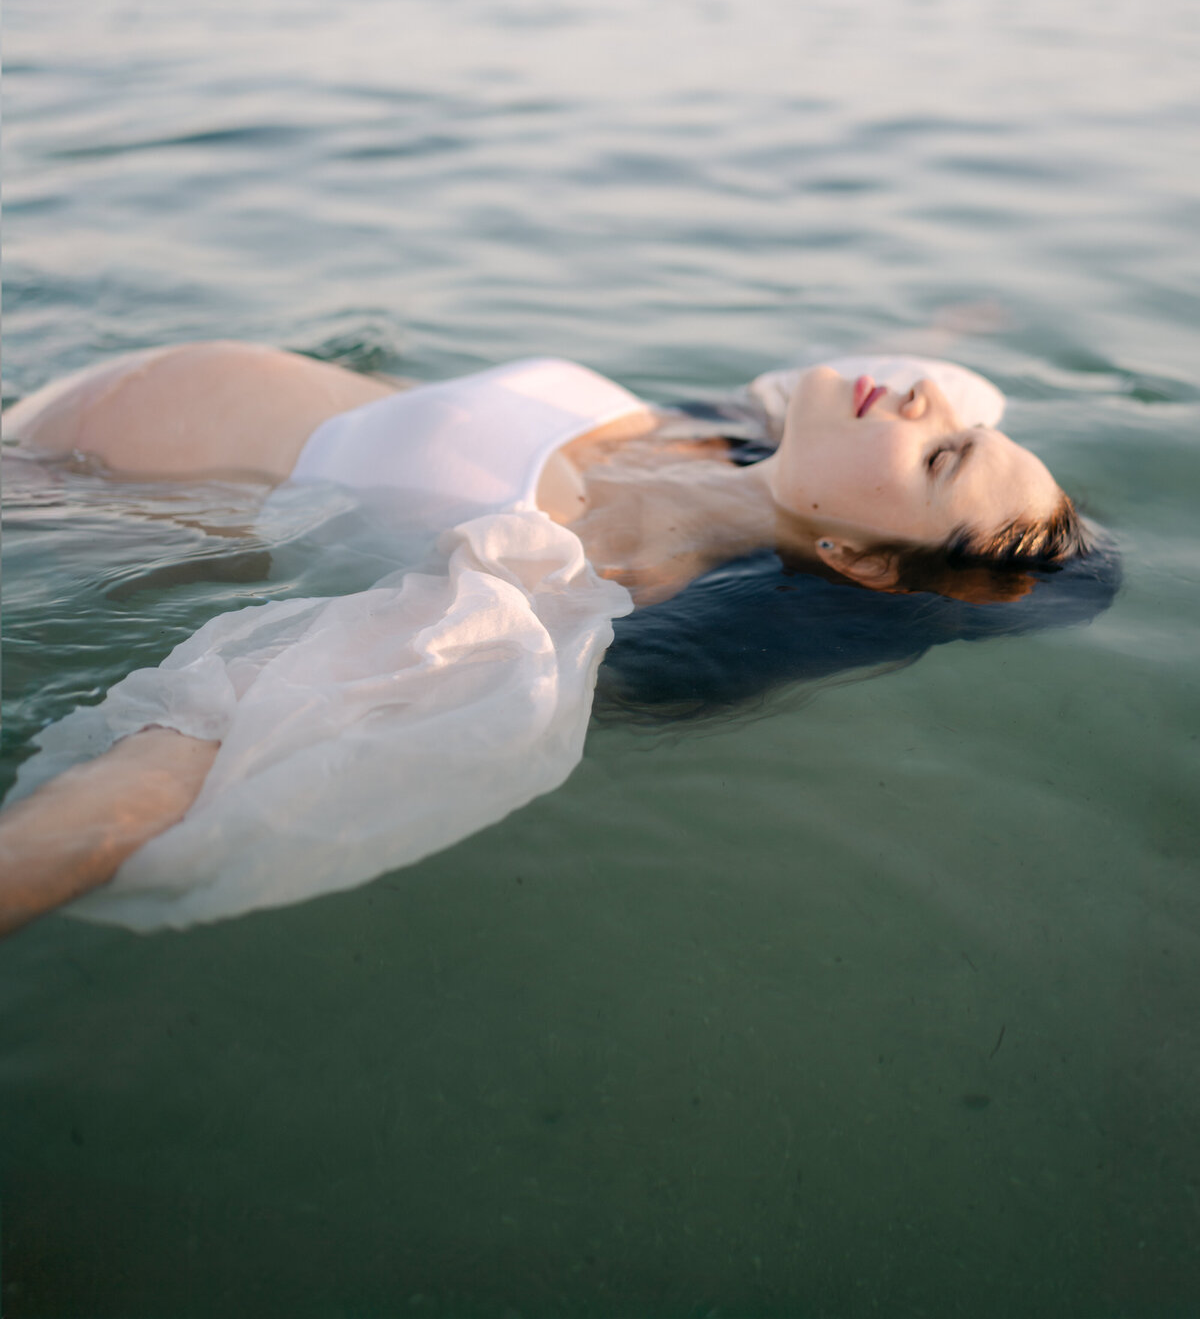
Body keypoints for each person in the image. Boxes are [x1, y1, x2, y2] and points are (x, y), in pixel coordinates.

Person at [0, 341, 1103, 937]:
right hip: (60, 406)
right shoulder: (720, 438)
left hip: (57, 496)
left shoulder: (558, 576)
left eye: (942, 454)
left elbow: (213, 745)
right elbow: (942, 377)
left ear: (862, 562)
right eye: (961, 430)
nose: (922, 401)